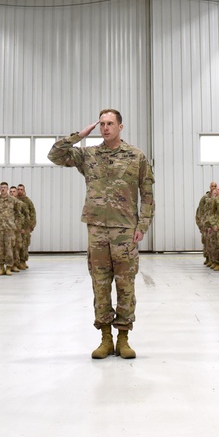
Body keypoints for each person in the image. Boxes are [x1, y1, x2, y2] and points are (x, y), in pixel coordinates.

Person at [49, 109, 154, 360]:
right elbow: (55, 154)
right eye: (101, 124)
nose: (105, 128)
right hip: (96, 229)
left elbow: (147, 194)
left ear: (121, 126)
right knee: (100, 284)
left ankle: (124, 339)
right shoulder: (88, 155)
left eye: (110, 124)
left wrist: (143, 226)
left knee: (126, 285)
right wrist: (79, 135)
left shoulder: (136, 156)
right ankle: (105, 338)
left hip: (125, 230)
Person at [0, 182, 24, 275]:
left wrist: (16, 225)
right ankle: (1, 267)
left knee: (9, 248)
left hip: (9, 229)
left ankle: (9, 267)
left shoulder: (13, 200)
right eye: (1, 187)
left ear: (7, 189)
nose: (3, 189)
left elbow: (18, 214)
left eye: (4, 187)